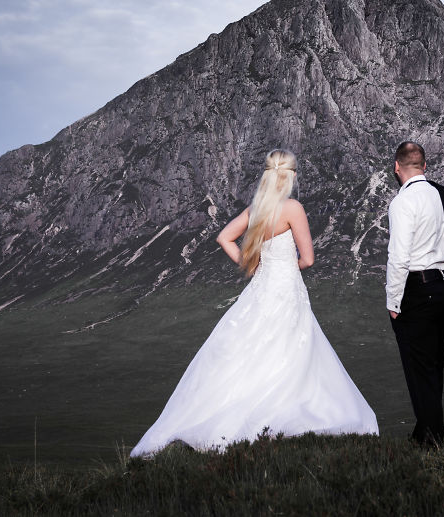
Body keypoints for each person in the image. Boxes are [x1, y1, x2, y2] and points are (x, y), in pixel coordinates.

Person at [130, 149, 378, 457]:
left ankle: (239, 416)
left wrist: (255, 267)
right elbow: (309, 259)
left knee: (251, 347)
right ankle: (282, 416)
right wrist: (285, 268)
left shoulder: (256, 210)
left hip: (261, 288)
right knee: (290, 351)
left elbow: (223, 237)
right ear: (290, 177)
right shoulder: (292, 208)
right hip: (286, 288)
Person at [386, 141, 444, 447]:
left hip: (419, 289)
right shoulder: (442, 195)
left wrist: (393, 300)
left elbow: (399, 256)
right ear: (425, 166)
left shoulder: (403, 202)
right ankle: (423, 437)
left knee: (420, 371)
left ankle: (434, 444)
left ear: (396, 167)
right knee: (434, 367)